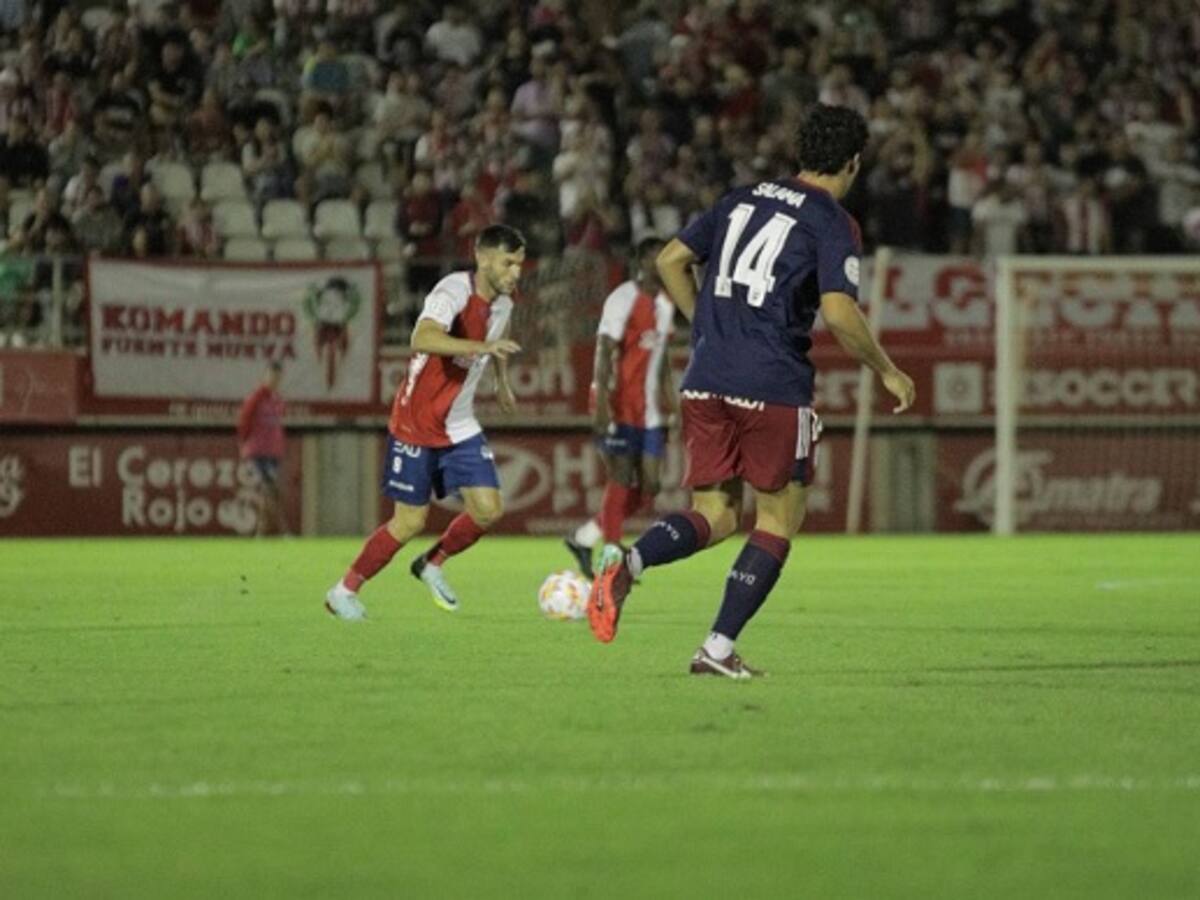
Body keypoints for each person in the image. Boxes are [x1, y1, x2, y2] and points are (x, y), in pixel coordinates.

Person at [587, 104, 916, 678]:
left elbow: (670, 259)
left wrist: (705, 325)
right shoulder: (832, 221)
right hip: (772, 382)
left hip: (706, 377)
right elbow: (839, 313)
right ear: (854, 163)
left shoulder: (741, 197)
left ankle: (630, 563)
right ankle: (715, 649)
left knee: (713, 513)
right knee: (776, 521)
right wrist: (886, 368)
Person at [325, 225, 524, 621]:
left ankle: (432, 564)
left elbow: (501, 341)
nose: (516, 272)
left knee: (488, 510)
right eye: (508, 262)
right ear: (483, 258)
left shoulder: (504, 305)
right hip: (416, 422)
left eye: (519, 264)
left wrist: (501, 382)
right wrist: (480, 347)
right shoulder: (452, 291)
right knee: (409, 521)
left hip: (460, 422)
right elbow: (423, 337)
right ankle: (343, 591)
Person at [565, 237, 674, 578]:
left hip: (649, 408)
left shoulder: (667, 304)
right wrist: (601, 405)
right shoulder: (622, 298)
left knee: (651, 486)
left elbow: (662, 357)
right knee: (622, 476)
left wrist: (674, 403)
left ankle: (584, 537)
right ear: (641, 263)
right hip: (616, 402)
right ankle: (612, 552)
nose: (660, 265)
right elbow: (604, 349)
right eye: (654, 259)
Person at [236, 361, 288, 537]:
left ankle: (264, 529)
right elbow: (244, 422)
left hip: (273, 452)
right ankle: (278, 529)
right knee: (266, 489)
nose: (275, 380)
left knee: (272, 490)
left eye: (278, 377)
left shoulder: (278, 400)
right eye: (272, 375)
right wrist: (244, 444)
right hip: (257, 451)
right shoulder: (255, 398)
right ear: (265, 376)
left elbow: (276, 427)